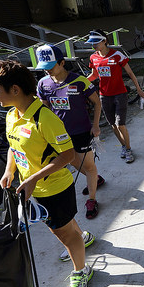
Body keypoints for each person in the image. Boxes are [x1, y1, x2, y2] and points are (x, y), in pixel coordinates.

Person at [0, 60, 94, 287]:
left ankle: (81, 270)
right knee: (65, 225)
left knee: (62, 233)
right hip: (33, 188)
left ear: (15, 89)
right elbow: (14, 146)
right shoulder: (12, 115)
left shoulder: (46, 119)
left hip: (53, 188)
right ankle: (82, 240)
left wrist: (33, 178)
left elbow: (69, 155)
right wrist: (9, 171)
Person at [35, 45, 104, 220]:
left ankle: (92, 199)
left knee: (88, 166)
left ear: (62, 63)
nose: (48, 71)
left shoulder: (80, 81)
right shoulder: (43, 84)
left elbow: (97, 103)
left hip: (81, 132)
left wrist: (95, 125)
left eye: (51, 66)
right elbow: (46, 109)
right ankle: (94, 178)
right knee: (75, 164)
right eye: (44, 68)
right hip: (59, 136)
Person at [86, 29, 144, 163]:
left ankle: (129, 149)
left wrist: (139, 90)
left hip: (120, 94)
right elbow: (94, 75)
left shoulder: (117, 55)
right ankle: (124, 146)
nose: (94, 45)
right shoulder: (93, 58)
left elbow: (130, 74)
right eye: (92, 43)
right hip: (104, 96)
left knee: (120, 124)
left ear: (104, 41)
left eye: (96, 42)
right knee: (113, 125)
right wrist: (81, 82)